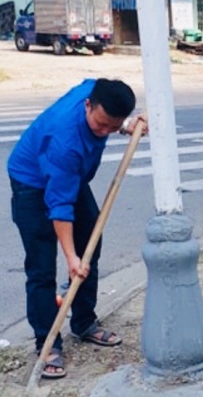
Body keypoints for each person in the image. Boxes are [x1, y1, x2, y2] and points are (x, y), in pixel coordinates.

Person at [8, 78, 146, 380]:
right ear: (87, 106)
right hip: (31, 181)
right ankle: (47, 342)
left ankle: (84, 322)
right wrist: (71, 259)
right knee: (42, 266)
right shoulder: (65, 142)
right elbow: (60, 207)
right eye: (100, 126)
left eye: (112, 127)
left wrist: (127, 127)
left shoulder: (97, 91)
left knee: (90, 248)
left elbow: (107, 116)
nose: (104, 132)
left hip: (70, 177)